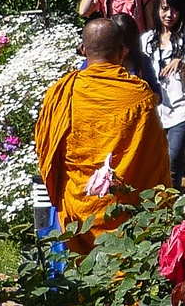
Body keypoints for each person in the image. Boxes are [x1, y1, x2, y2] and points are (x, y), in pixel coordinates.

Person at [34, 17, 171, 254]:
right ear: (122, 51)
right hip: (126, 215)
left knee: (84, 280)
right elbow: (155, 163)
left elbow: (47, 154)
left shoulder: (62, 94)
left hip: (79, 212)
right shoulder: (139, 97)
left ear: (84, 50)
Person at [141, 0, 185, 189]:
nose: (169, 15)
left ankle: (171, 209)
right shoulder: (146, 40)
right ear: (157, 10)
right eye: (165, 9)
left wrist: (181, 64)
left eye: (174, 10)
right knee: (153, 163)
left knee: (172, 160)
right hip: (155, 110)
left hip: (182, 109)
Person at [112, 13, 162, 98]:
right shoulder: (99, 60)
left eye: (126, 42)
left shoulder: (142, 60)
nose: (123, 48)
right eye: (119, 42)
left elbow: (156, 92)